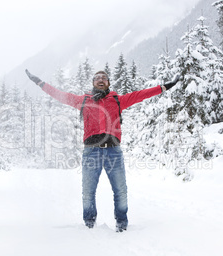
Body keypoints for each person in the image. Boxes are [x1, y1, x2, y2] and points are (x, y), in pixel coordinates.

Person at [26, 69, 179, 232]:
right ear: (93, 83)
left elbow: (141, 94)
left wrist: (165, 87)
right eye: (97, 78)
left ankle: (122, 225)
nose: (101, 80)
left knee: (120, 190)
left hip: (114, 151)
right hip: (91, 152)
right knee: (88, 192)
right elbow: (60, 95)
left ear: (108, 83)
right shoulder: (83, 101)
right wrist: (39, 82)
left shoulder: (118, 100)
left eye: (104, 78)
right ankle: (89, 226)